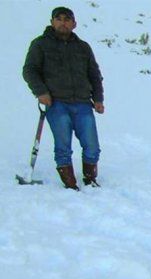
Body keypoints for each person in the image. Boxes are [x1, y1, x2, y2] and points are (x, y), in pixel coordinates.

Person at [23, 6, 105, 190]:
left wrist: (98, 99)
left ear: (74, 24)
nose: (63, 22)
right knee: (63, 146)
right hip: (57, 102)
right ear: (52, 22)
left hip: (83, 102)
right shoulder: (41, 44)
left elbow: (94, 74)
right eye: (58, 19)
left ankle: (90, 180)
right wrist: (41, 92)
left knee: (92, 145)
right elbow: (30, 70)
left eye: (67, 19)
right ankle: (70, 184)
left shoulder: (83, 47)